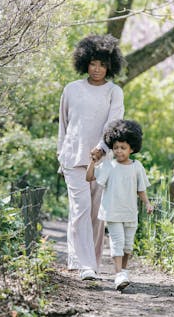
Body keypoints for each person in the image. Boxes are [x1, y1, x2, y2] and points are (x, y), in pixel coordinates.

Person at [57, 34, 126, 280]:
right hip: (73, 159)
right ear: (84, 62)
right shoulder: (71, 89)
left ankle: (91, 263)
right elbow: (64, 126)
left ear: (110, 66)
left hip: (102, 161)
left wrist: (101, 148)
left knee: (96, 214)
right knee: (80, 209)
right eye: (93, 63)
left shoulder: (114, 92)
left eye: (102, 64)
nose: (97, 69)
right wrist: (60, 154)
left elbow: (113, 123)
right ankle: (84, 264)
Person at [86, 119, 154, 290]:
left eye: (123, 148)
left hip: (130, 212)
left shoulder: (137, 167)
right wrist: (93, 161)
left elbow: (141, 189)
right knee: (117, 242)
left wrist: (147, 203)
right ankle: (118, 274)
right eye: (115, 148)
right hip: (112, 212)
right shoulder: (109, 165)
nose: (119, 151)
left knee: (128, 245)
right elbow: (89, 177)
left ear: (132, 148)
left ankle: (123, 271)